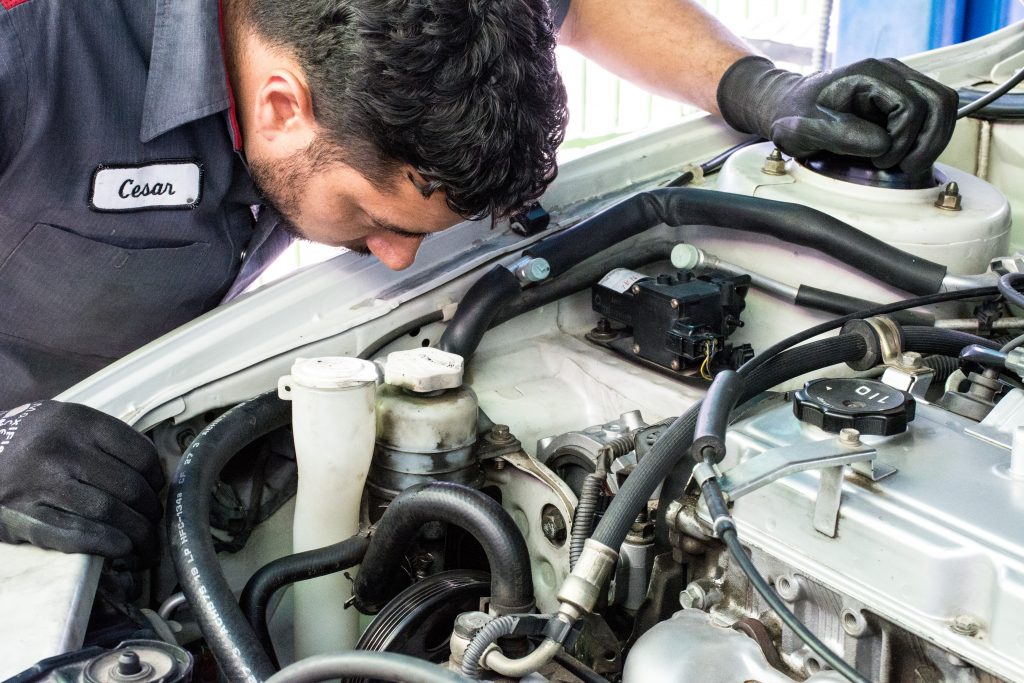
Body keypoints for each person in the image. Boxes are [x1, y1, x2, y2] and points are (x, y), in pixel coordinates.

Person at [0, 0, 957, 558]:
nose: (396, 260)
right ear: (282, 103)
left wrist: (762, 91)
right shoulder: (32, 42)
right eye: (375, 219)